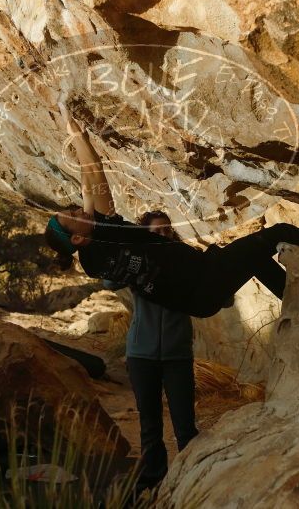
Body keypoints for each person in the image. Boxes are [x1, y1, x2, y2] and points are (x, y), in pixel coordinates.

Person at [44, 95, 299, 319]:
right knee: (277, 233)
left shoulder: (91, 257)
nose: (79, 210)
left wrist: (77, 136)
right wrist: (73, 130)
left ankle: (296, 310)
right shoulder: (105, 236)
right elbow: (96, 173)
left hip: (197, 294)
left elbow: (87, 185)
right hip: (203, 279)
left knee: (253, 257)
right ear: (77, 238)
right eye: (74, 217)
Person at [104, 211, 198, 493]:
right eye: (156, 231)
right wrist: (133, 255)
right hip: (141, 354)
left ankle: (191, 480)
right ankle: (153, 480)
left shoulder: (185, 259)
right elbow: (109, 282)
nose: (163, 234)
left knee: (185, 424)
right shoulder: (140, 261)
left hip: (177, 354)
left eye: (167, 230)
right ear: (146, 234)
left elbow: (218, 294)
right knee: (150, 424)